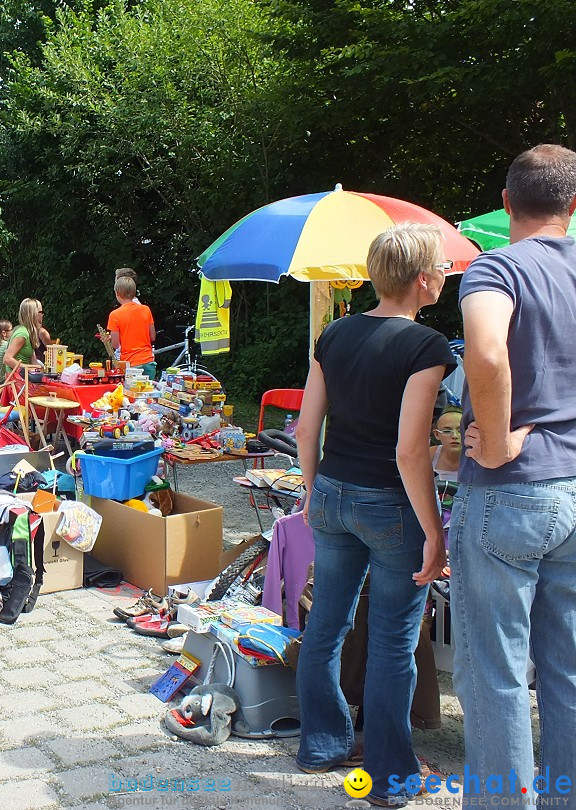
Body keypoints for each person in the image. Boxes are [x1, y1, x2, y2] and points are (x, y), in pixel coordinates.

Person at [293, 223, 454, 807]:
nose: (445, 274)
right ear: (420, 279)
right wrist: (435, 531)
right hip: (391, 504)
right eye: (439, 266)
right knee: (391, 642)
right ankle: (390, 777)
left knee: (327, 624)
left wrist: (314, 490)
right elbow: (410, 452)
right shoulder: (426, 347)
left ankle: (321, 745)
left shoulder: (334, 335)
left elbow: (308, 427)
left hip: (333, 492)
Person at [450, 144, 576, 804]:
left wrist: (496, 443)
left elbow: (487, 350)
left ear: (506, 203)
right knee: (567, 673)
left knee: (494, 674)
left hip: (511, 494)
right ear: (572, 207)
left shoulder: (495, 267)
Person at [107, 274, 156, 378]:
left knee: (131, 393)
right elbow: (152, 337)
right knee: (149, 393)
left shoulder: (115, 315)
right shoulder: (146, 310)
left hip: (130, 364)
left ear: (117, 293)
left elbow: (115, 345)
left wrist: (109, 339)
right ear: (134, 293)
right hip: (148, 361)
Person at [3, 298, 51, 373]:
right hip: (16, 380)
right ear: (34, 314)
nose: (43, 314)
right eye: (41, 312)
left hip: (23, 377)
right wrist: (28, 368)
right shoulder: (23, 333)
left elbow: (34, 361)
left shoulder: (29, 332)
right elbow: (7, 359)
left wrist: (43, 370)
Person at [431, 406, 461, 482]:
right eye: (447, 431)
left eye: (461, 431)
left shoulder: (479, 457)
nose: (454, 436)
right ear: (437, 434)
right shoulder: (430, 455)